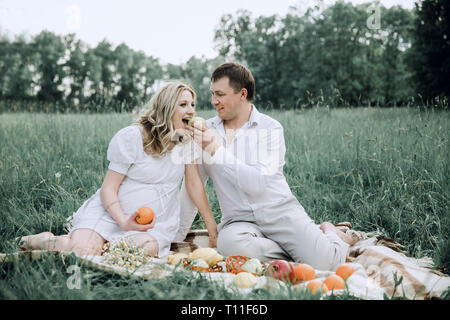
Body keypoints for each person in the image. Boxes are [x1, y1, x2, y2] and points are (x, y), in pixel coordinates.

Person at [175, 62, 354, 271]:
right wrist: (176, 235)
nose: (214, 101)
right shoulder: (206, 130)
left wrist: (216, 149)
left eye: (220, 94)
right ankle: (303, 250)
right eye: (212, 94)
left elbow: (258, 184)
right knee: (228, 245)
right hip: (238, 221)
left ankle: (330, 233)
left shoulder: (270, 129)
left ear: (242, 94)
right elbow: (193, 185)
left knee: (329, 263)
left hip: (279, 212)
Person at [19, 82, 217, 258]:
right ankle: (42, 240)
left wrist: (211, 227)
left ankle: (95, 246)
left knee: (141, 249)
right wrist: (123, 221)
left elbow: (193, 184)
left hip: (150, 225)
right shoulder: (133, 137)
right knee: (80, 251)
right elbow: (108, 189)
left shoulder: (186, 141)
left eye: (192, 104)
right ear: (165, 108)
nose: (191, 111)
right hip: (112, 214)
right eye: (183, 104)